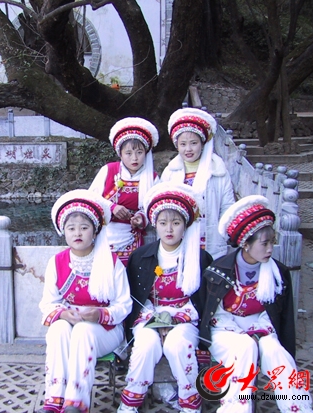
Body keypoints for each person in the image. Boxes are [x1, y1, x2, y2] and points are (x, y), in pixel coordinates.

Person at [199, 195, 313, 412]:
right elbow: (213, 314)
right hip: (225, 330)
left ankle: (298, 408)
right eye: (264, 243)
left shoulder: (278, 273)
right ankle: (237, 408)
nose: (270, 249)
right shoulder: (218, 271)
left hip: (262, 328)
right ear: (245, 243)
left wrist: (259, 332)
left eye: (272, 242)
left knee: (274, 351)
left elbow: (278, 315)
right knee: (244, 347)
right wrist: (243, 334)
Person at [117, 183, 213, 413]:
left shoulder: (200, 258)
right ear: (154, 224)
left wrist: (176, 320)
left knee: (177, 344)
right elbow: (136, 298)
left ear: (185, 225)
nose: (169, 229)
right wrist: (157, 321)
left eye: (176, 223)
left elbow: (204, 301)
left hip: (186, 319)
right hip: (150, 317)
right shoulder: (141, 256)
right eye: (163, 223)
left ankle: (190, 403)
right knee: (146, 344)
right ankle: (130, 403)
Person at [39, 189, 132, 413]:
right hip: (71, 323)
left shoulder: (111, 262)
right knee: (58, 329)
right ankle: (54, 400)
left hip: (105, 329)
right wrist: (63, 314)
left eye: (84, 227)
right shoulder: (57, 262)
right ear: (63, 232)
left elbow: (124, 304)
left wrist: (99, 314)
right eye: (71, 228)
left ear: (95, 230)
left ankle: (76, 403)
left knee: (83, 331)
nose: (77, 233)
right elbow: (48, 303)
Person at [161, 108, 234, 259]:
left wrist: (222, 233)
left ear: (202, 143)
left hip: (210, 239)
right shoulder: (170, 172)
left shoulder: (218, 171)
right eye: (183, 144)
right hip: (178, 238)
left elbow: (227, 206)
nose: (188, 149)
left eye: (193, 143)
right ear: (177, 145)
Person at [89, 117, 160, 266]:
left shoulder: (152, 178)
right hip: (106, 234)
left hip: (133, 238)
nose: (135, 158)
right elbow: (90, 199)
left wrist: (141, 218)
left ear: (146, 153)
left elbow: (156, 208)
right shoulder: (108, 170)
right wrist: (111, 207)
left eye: (139, 152)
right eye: (128, 153)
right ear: (120, 153)